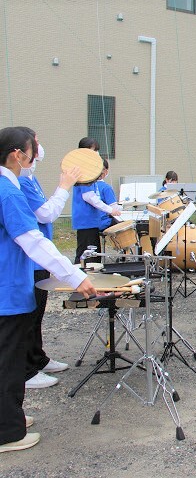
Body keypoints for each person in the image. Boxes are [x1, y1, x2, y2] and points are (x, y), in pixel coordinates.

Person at [0, 126, 96, 453]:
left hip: (8, 285)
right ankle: (6, 433)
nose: (37, 151)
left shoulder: (9, 185)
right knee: (8, 361)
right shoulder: (9, 191)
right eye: (33, 145)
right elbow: (33, 240)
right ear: (18, 154)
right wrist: (75, 277)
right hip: (7, 289)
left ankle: (7, 416)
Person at [16, 127, 81, 390]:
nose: (39, 149)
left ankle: (38, 358)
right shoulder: (19, 182)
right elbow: (46, 214)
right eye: (36, 144)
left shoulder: (30, 179)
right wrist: (64, 186)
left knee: (38, 313)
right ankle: (27, 370)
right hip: (30, 260)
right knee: (28, 316)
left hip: (39, 261)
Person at [73, 140, 121, 263]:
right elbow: (89, 197)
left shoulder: (88, 170)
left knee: (94, 255)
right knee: (87, 256)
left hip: (91, 221)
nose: (97, 154)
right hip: (86, 220)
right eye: (94, 150)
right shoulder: (83, 171)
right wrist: (111, 210)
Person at [97, 159, 120, 232]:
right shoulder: (106, 188)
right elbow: (114, 208)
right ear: (106, 172)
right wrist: (124, 207)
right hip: (103, 223)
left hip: (90, 223)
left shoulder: (88, 186)